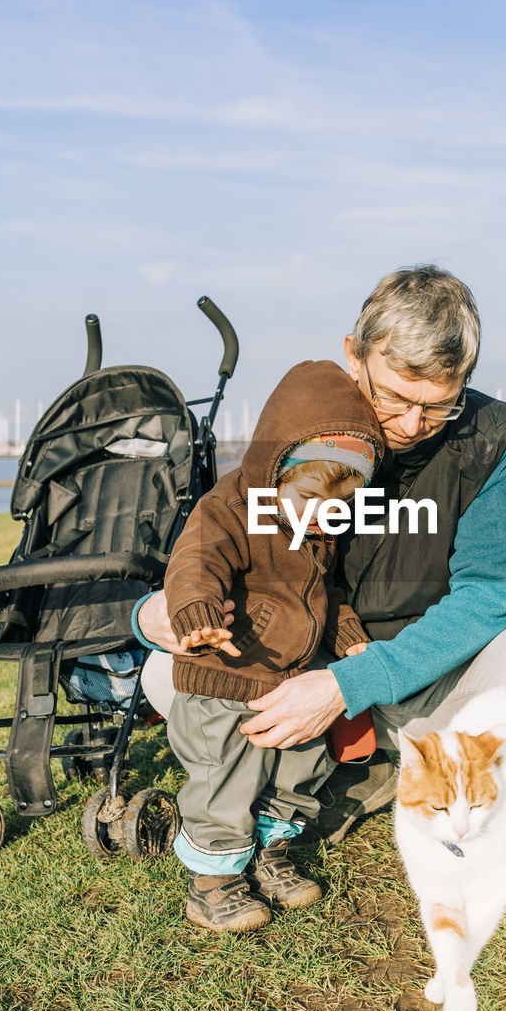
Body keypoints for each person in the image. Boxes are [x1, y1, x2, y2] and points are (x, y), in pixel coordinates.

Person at [136, 265, 506, 851]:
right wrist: (154, 611)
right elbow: (225, 537)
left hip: (430, 676)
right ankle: (357, 769)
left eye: (439, 405)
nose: (413, 426)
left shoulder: (496, 440)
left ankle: (392, 767)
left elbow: (488, 595)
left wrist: (348, 686)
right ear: (354, 355)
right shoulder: (305, 426)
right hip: (312, 660)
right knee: (164, 674)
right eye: (392, 397)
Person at [135, 359, 382, 932]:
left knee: (299, 762)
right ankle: (214, 880)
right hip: (227, 670)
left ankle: (271, 851)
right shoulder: (230, 509)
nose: (325, 515)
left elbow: (328, 595)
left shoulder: (318, 533)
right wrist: (192, 609)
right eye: (311, 496)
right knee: (226, 775)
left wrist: (347, 637)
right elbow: (195, 562)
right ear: (275, 468)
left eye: (341, 504)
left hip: (291, 676)